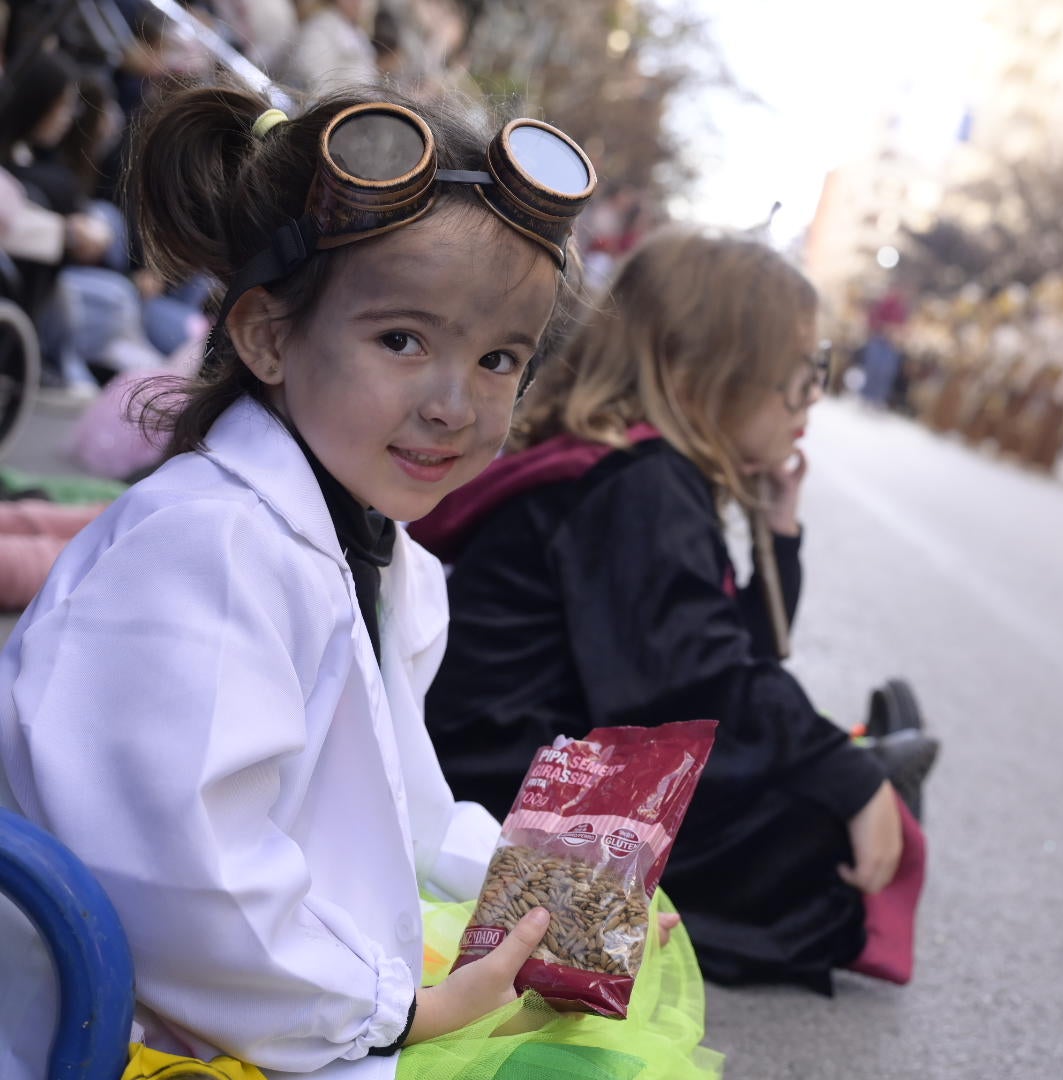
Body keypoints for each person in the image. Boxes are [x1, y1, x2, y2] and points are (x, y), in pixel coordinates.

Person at [0, 79, 704, 1078]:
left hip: (271, 1009)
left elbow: (393, 804)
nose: (455, 404)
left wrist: (547, 892)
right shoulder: (213, 547)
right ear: (268, 336)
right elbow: (188, 883)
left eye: (501, 358)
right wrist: (395, 1010)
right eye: (402, 340)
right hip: (110, 1033)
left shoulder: (374, 549)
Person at [416, 228, 939, 994]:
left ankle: (871, 760)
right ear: (709, 378)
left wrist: (776, 536)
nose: (813, 397)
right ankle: (874, 762)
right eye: (800, 374)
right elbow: (702, 693)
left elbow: (737, 658)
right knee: (819, 850)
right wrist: (844, 776)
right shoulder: (639, 486)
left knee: (791, 781)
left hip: (525, 763)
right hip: (505, 797)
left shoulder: (637, 469)